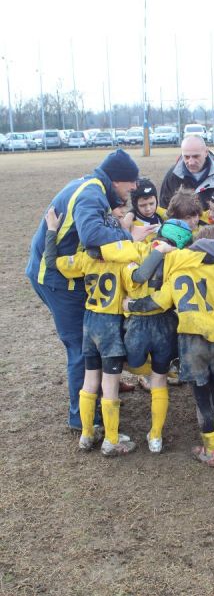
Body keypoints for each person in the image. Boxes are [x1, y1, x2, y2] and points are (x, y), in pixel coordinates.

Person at [25, 148, 151, 430]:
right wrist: (127, 236)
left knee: (99, 330)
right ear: (117, 180)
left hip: (66, 271)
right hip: (57, 278)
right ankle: (82, 419)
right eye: (131, 182)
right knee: (80, 347)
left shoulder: (92, 186)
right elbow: (92, 235)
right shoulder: (92, 192)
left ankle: (108, 384)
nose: (134, 188)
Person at [123, 225, 214, 468]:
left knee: (202, 398)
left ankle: (210, 450)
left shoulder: (179, 271)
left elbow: (158, 302)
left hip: (191, 340)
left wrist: (130, 305)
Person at [43, 206, 137, 456]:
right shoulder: (122, 262)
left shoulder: (84, 259)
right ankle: (112, 439)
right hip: (110, 327)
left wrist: (52, 230)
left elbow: (52, 261)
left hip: (89, 323)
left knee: (90, 381)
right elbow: (138, 282)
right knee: (109, 385)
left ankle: (87, 434)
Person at [159, 135, 214, 212]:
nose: (191, 162)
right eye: (186, 157)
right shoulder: (172, 176)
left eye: (196, 156)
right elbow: (165, 208)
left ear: (206, 152)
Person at [123, 178, 167, 243]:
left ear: (156, 201)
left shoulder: (160, 214)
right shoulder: (132, 225)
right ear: (135, 205)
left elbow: (173, 215)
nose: (148, 209)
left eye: (151, 203)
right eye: (142, 205)